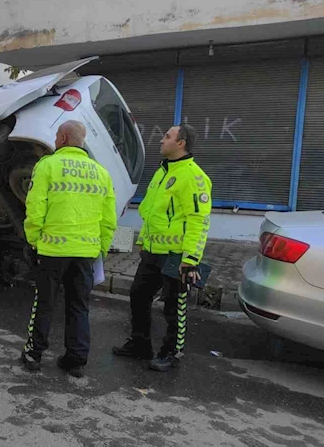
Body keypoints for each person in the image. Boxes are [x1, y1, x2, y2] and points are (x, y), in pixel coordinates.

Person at [20, 120, 117, 378]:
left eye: (56, 136)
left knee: (45, 303)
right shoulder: (101, 173)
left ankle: (34, 353)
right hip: (86, 253)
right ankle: (75, 360)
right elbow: (109, 220)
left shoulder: (47, 166)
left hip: (52, 251)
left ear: (62, 138)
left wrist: (33, 240)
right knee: (79, 306)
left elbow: (35, 208)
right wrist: (101, 249)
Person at [112, 124, 212, 372]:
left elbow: (198, 221)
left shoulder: (194, 177)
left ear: (181, 143)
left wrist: (190, 260)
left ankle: (171, 353)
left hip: (175, 257)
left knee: (173, 307)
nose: (161, 139)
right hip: (152, 252)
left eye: (167, 136)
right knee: (138, 295)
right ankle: (140, 344)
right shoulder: (163, 171)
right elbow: (152, 213)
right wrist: (142, 242)